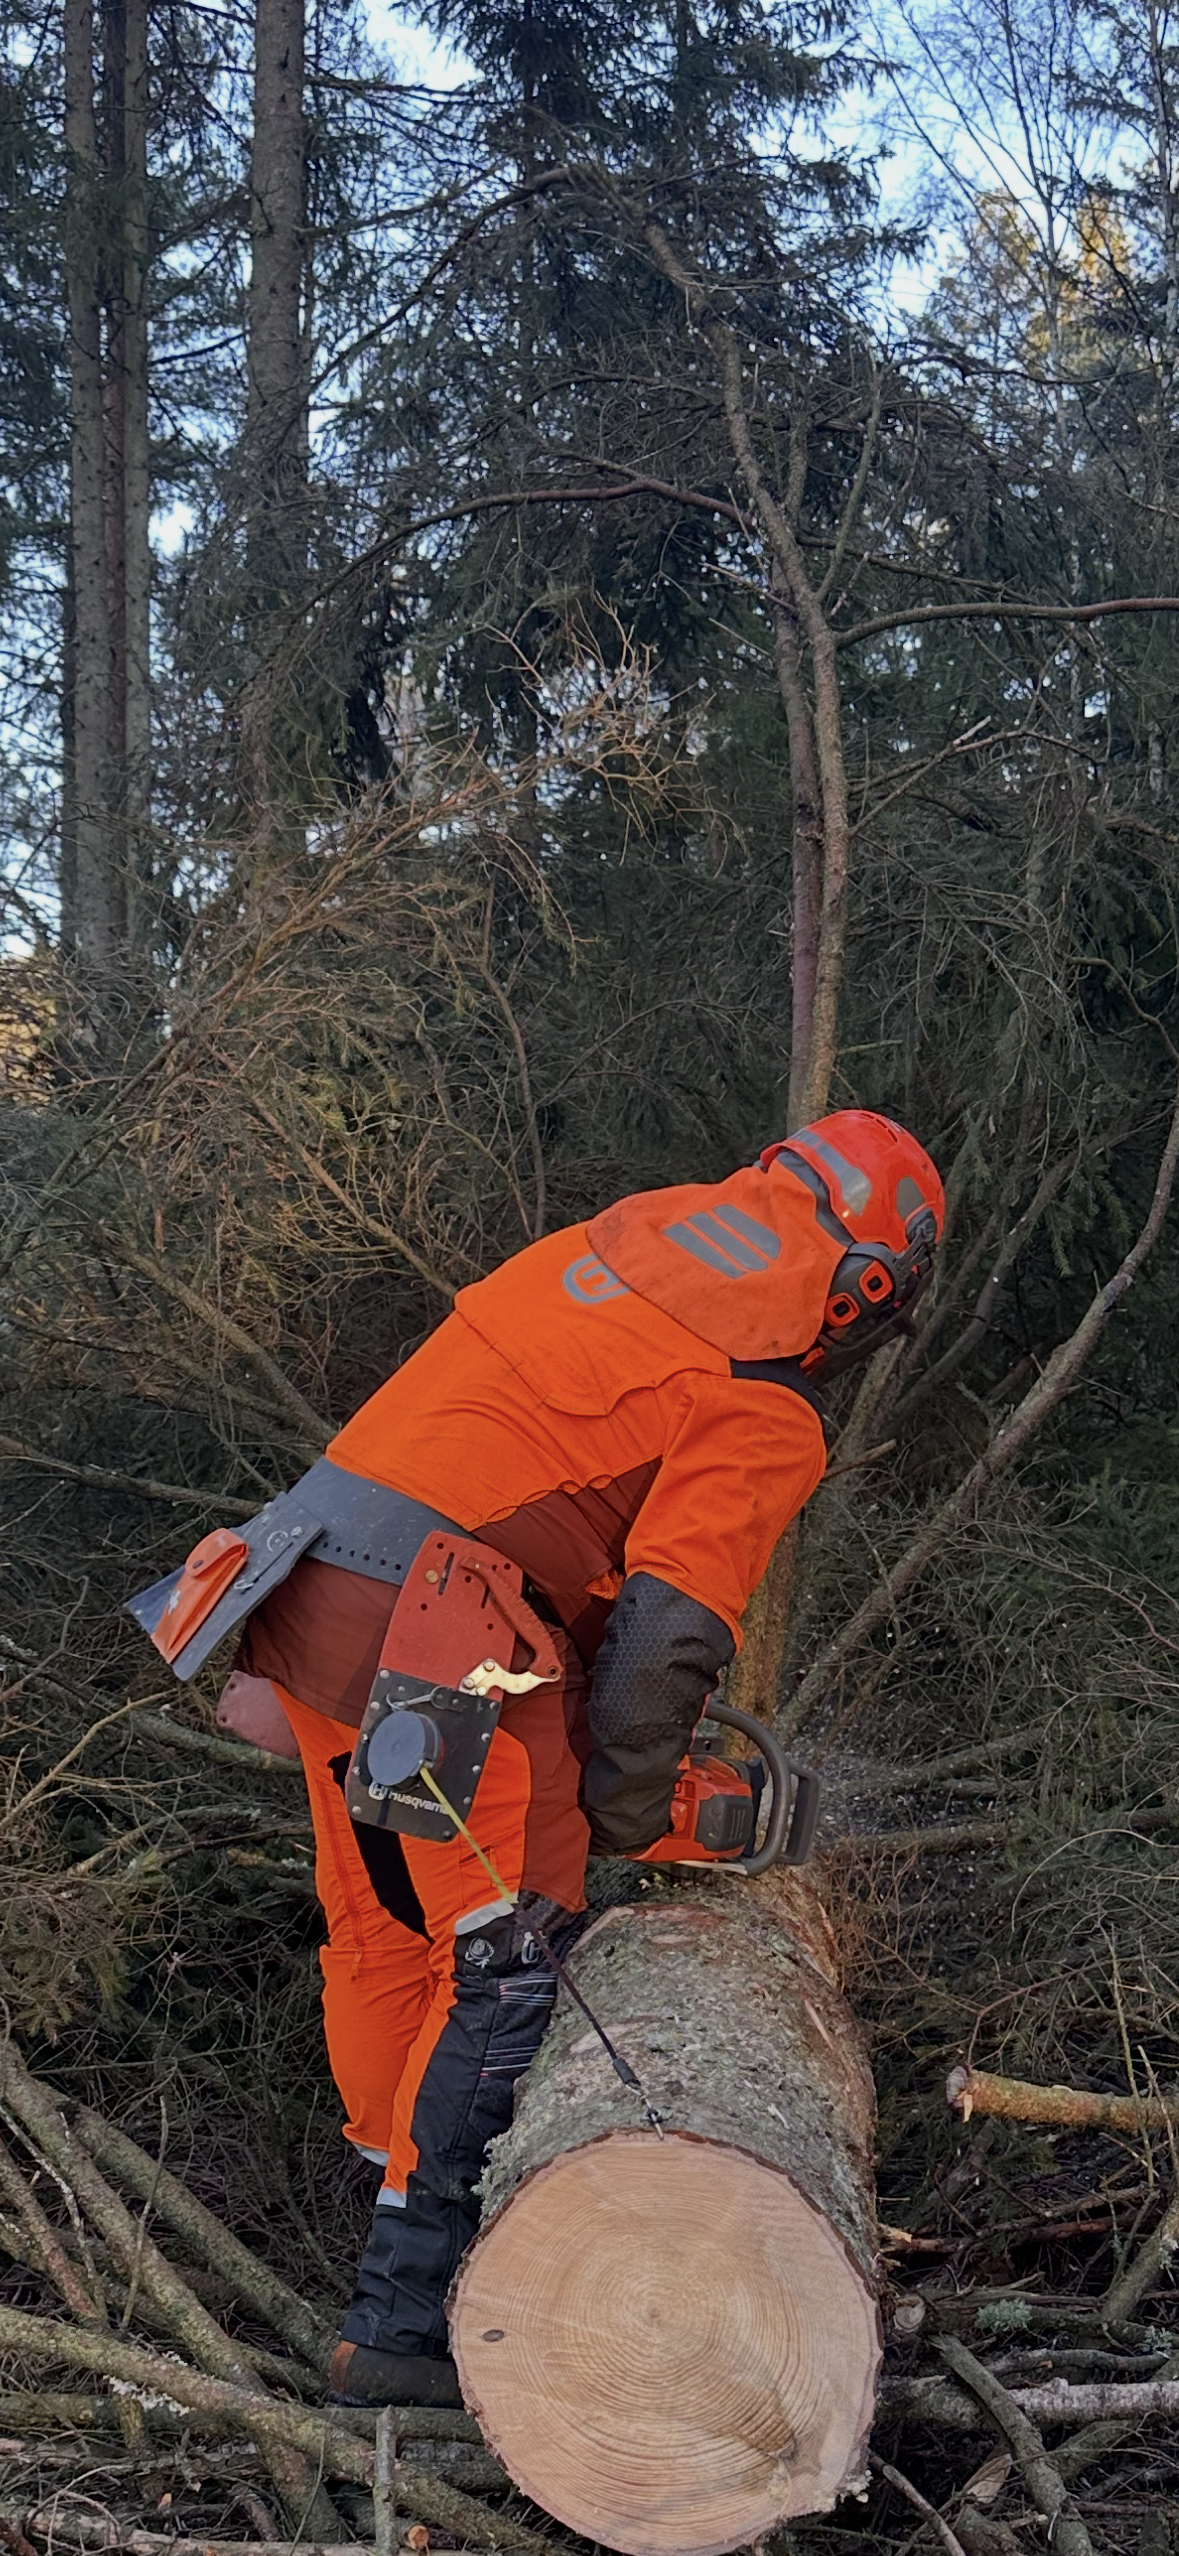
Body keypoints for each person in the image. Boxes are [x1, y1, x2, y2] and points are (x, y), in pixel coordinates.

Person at [137, 1110, 943, 2409]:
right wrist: (630, 1809)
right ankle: (402, 2330)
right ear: (864, 1291)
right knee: (508, 1967)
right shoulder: (766, 1396)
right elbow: (660, 1647)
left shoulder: (615, 1251)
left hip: (308, 1584)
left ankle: (393, 2198)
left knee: (393, 1933)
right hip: (439, 1633)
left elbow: (535, 1513)